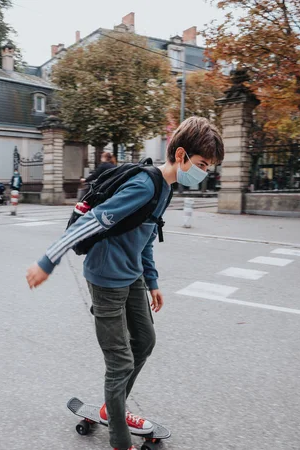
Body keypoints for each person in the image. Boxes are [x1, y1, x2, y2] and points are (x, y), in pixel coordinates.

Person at [26, 117, 224, 450]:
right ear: (180, 155)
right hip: (105, 280)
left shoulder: (165, 188)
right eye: (202, 164)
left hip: (131, 276)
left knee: (144, 341)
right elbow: (90, 222)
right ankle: (120, 441)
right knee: (120, 363)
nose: (203, 172)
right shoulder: (145, 185)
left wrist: (152, 281)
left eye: (208, 167)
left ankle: (110, 408)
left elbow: (145, 237)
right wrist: (48, 260)